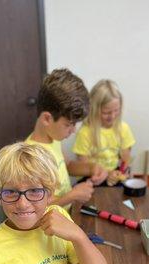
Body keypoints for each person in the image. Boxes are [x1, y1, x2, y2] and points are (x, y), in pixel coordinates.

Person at [25, 68, 108, 209]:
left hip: (67, 213)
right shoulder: (31, 156)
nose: (74, 130)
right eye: (69, 124)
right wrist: (72, 195)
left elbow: (67, 166)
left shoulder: (53, 138)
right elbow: (35, 205)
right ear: (47, 118)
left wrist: (92, 168)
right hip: (51, 225)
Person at [72, 79, 136, 186]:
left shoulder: (123, 128)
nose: (112, 116)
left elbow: (126, 159)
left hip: (115, 174)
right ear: (94, 109)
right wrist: (106, 174)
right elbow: (83, 164)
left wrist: (123, 172)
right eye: (106, 112)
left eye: (116, 110)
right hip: (93, 176)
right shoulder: (85, 133)